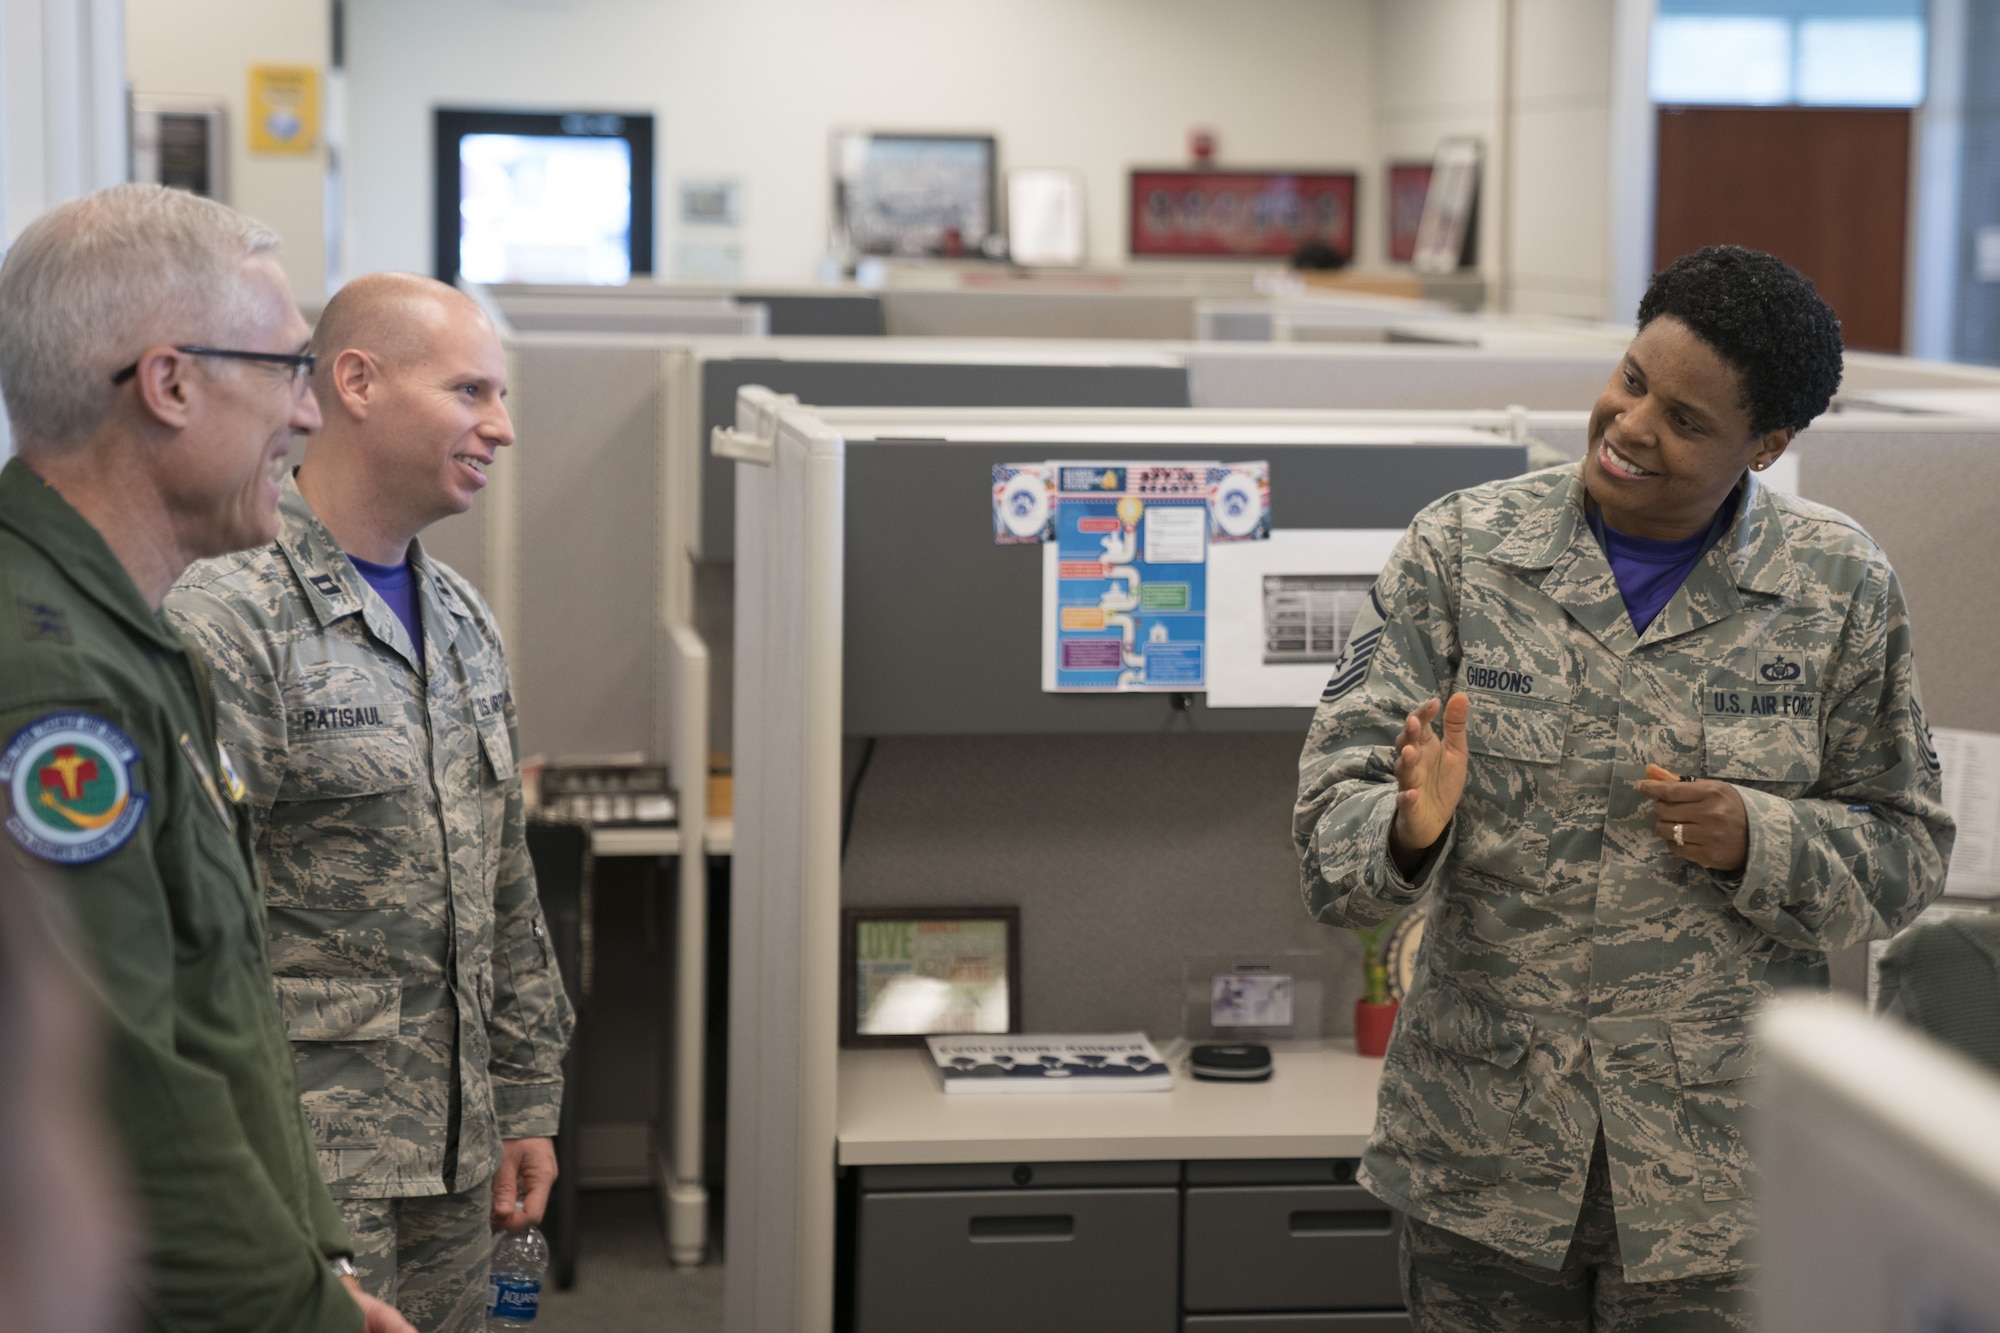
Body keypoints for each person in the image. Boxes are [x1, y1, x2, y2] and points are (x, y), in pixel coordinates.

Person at [1294, 245, 1953, 1331]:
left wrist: (1763, 838)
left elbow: (1906, 856)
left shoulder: (1837, 587)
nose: (1631, 425)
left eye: (1688, 421)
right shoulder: (1460, 552)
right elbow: (1327, 836)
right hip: (1481, 1157)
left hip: (1718, 1182)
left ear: (1767, 445)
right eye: (1632, 379)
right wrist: (1407, 831)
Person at [0, 184, 413, 1331]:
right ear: (170, 383)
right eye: (289, 369)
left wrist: (313, 1260)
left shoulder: (126, 634)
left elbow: (212, 1005)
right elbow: (119, 1092)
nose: (313, 415)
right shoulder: (54, 685)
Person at [166, 272, 575, 1332]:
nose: (503, 427)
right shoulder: (231, 614)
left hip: (457, 1153)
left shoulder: (459, 615)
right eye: (471, 392)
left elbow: (503, 877)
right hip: (304, 1167)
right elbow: (187, 938)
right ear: (355, 381)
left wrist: (526, 1098)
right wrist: (267, 1211)